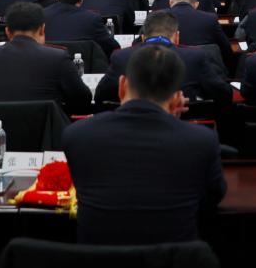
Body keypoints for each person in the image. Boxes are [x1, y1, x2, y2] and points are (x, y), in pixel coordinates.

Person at [64, 43, 227, 245]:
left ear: (122, 86)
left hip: (98, 258)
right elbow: (211, 198)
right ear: (176, 97)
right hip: (173, 257)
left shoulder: (77, 136)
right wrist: (174, 123)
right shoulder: (202, 141)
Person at [94, 10, 231, 104]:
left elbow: (100, 96)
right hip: (183, 128)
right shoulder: (195, 56)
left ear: (143, 37)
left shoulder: (121, 57)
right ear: (177, 37)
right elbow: (224, 93)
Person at [0, 2, 91, 109]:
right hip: (45, 126)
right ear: (42, 29)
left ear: (7, 32)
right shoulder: (58, 58)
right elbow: (83, 99)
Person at [43, 0, 119, 57]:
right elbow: (111, 46)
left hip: (49, 61)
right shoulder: (92, 18)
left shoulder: (42, 15)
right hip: (83, 63)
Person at [164, 0, 232, 67]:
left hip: (169, 66)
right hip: (203, 67)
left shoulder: (159, 17)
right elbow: (225, 46)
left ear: (170, 0)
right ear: (196, 4)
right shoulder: (210, 18)